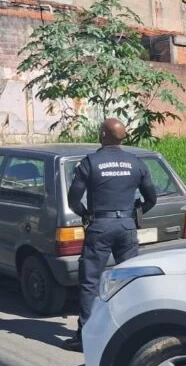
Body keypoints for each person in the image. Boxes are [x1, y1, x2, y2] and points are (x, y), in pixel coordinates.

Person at [65, 118, 157, 351]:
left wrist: (85, 213)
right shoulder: (135, 163)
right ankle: (132, 334)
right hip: (127, 227)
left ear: (104, 135)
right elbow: (151, 198)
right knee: (130, 281)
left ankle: (86, 338)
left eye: (100, 131)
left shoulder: (90, 162)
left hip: (100, 227)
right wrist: (133, 214)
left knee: (90, 282)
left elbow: (73, 199)